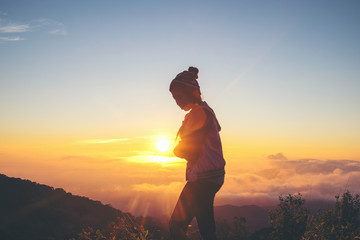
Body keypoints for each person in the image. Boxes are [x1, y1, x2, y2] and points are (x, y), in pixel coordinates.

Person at [169, 66, 226, 240]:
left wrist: (177, 150)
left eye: (179, 96)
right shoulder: (204, 111)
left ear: (192, 93)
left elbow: (191, 151)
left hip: (203, 179)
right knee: (206, 227)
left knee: (176, 226)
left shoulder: (199, 113)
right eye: (174, 98)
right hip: (212, 176)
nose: (177, 101)